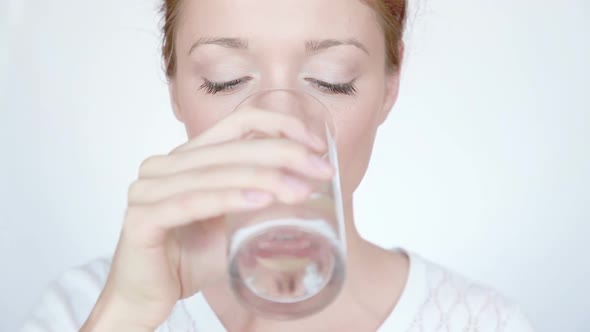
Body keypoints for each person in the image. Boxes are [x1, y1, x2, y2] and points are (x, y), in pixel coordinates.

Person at [21, 0, 534, 331]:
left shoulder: (482, 323)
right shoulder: (83, 309)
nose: (277, 123)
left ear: (389, 87)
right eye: (225, 80)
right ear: (175, 86)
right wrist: (127, 314)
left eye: (332, 80)